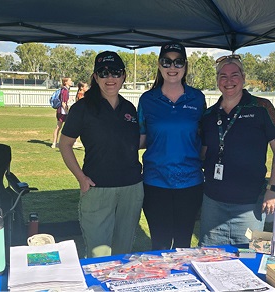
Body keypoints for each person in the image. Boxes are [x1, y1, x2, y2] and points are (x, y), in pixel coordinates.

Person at [59, 51, 144, 257]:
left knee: (124, 252)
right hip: (97, 188)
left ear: (124, 76)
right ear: (95, 77)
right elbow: (65, 145)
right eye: (103, 73)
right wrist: (81, 178)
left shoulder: (129, 108)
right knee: (99, 254)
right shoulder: (82, 108)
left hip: (131, 189)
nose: (110, 78)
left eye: (115, 72)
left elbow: (136, 143)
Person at [200, 54, 275, 246]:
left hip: (250, 205)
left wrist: (273, 189)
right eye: (223, 76)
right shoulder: (208, 115)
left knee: (249, 259)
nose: (229, 81)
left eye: (234, 75)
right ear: (217, 80)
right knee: (209, 258)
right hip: (213, 202)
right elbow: (202, 153)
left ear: (243, 77)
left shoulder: (261, 107)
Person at [138, 42, 206, 250]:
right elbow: (140, 139)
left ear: (185, 66)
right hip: (156, 183)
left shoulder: (197, 98)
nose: (172, 67)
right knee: (159, 243)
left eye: (178, 62)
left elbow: (205, 138)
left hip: (190, 183)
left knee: (184, 244)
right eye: (167, 62)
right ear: (159, 65)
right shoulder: (148, 100)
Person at [51, 77, 72, 148]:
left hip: (60, 110)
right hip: (62, 112)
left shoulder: (64, 90)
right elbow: (63, 102)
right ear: (66, 82)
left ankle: (54, 143)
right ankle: (58, 143)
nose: (71, 81)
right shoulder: (65, 91)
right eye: (70, 80)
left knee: (58, 127)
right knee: (65, 127)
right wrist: (67, 112)